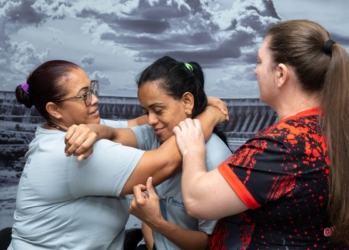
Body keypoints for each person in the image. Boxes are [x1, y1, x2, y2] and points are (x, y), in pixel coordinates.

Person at [9, 60, 227, 250]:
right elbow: (167, 162)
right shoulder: (74, 150)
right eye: (84, 95)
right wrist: (210, 114)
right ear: (55, 110)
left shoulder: (78, 128)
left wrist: (196, 104)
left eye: (92, 88)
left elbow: (136, 123)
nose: (94, 99)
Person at [172, 19, 349, 249]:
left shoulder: (283, 146)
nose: (255, 70)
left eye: (259, 61)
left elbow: (197, 201)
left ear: (280, 74)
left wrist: (193, 148)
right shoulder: (330, 129)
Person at [128, 56, 232, 250]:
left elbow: (210, 242)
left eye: (158, 110)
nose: (150, 121)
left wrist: (156, 222)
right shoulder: (156, 137)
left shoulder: (215, 159)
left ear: (186, 101)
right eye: (146, 111)